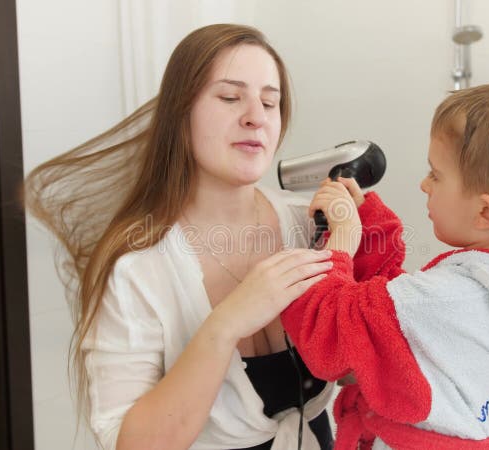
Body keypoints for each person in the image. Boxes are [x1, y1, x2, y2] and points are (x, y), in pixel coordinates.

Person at [24, 24, 336, 450]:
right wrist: (225, 325)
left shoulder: (309, 225)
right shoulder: (138, 267)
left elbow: (357, 367)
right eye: (230, 97)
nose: (255, 116)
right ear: (179, 111)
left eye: (270, 101)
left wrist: (352, 252)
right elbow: (130, 443)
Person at [280, 76, 489, 450]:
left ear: (484, 211)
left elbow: (333, 333)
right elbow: (394, 324)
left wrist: (340, 243)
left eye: (436, 174)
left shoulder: (445, 299)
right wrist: (367, 224)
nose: (424, 184)